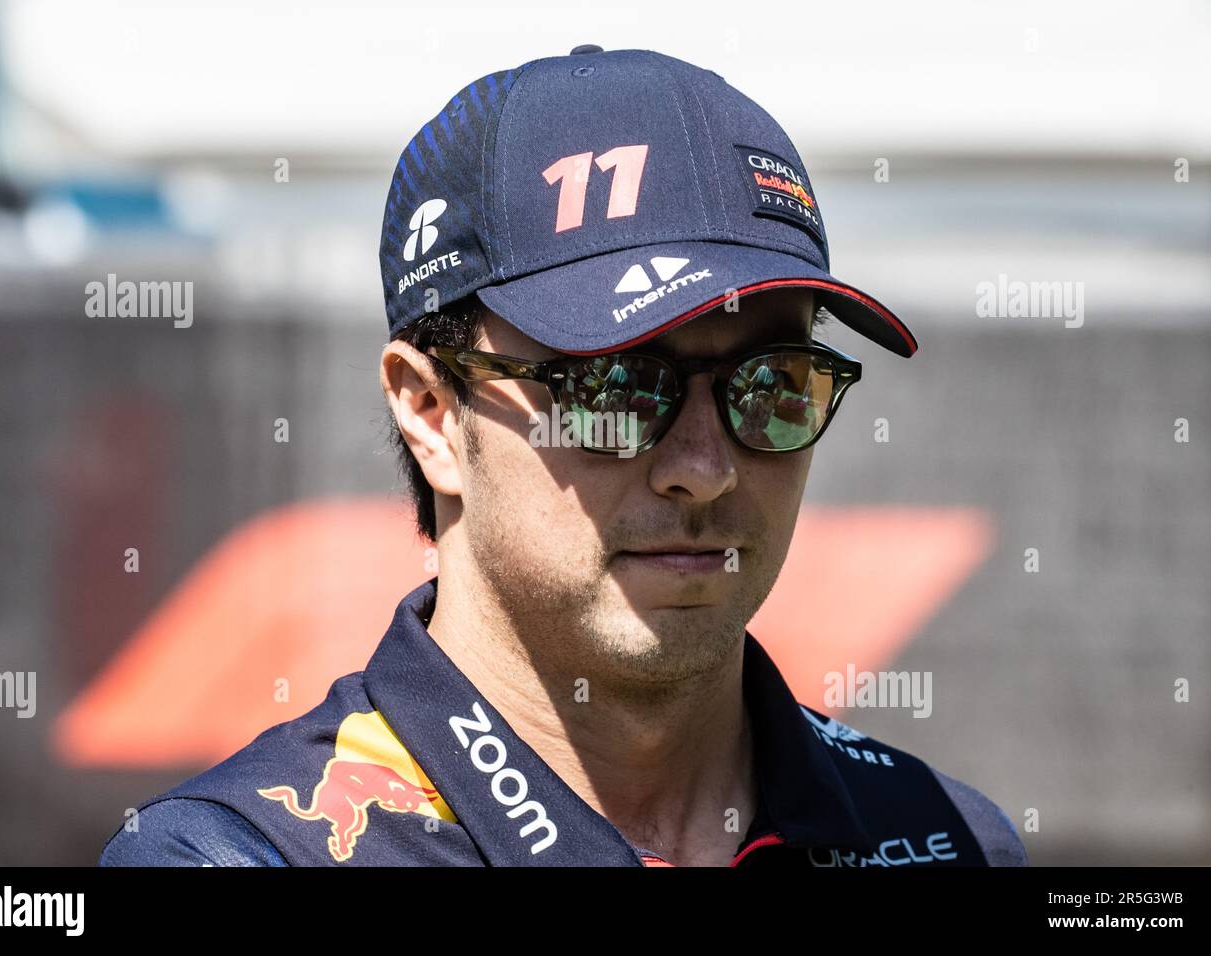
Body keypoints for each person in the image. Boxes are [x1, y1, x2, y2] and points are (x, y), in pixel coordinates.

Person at [99, 45, 1027, 867]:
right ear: (430, 411)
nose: (702, 468)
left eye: (770, 383)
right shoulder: (236, 855)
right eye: (618, 389)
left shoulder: (945, 838)